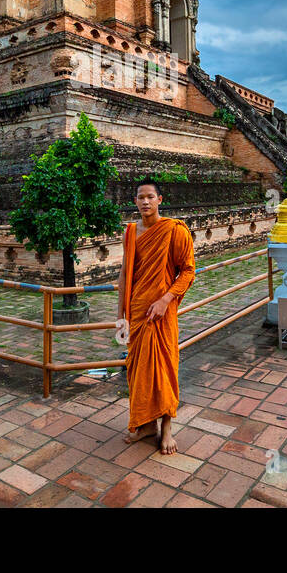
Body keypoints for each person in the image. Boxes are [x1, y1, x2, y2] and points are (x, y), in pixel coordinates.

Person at [118, 179, 195, 454]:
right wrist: (121, 317)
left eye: (151, 197)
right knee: (138, 369)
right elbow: (125, 273)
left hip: (162, 312)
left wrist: (166, 299)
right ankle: (146, 424)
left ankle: (167, 429)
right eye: (140, 197)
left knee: (163, 368)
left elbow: (187, 271)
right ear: (135, 201)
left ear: (160, 199)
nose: (145, 202)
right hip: (138, 311)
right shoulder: (130, 232)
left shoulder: (174, 231)